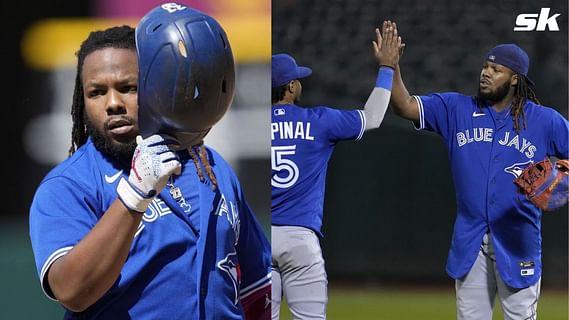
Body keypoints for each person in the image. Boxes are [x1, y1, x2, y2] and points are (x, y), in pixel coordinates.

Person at [29, 4, 271, 320]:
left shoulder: (211, 166)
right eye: (97, 92)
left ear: (154, 85)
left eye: (127, 87)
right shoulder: (69, 185)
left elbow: (257, 286)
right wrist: (134, 194)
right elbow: (71, 291)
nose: (113, 103)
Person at [386, 18, 568, 320]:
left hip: (518, 239)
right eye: (485, 66)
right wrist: (391, 68)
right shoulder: (455, 108)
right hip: (470, 241)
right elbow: (404, 105)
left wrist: (564, 177)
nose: (486, 73)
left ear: (514, 79)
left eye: (496, 70)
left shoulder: (545, 121)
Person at [270, 24, 403, 319]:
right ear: (291, 87)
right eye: (298, 80)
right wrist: (386, 68)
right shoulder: (319, 121)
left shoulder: (251, 128)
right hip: (299, 239)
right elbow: (373, 117)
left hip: (259, 238)